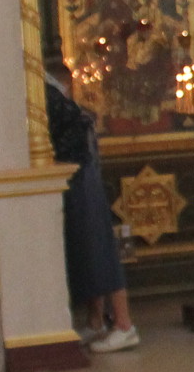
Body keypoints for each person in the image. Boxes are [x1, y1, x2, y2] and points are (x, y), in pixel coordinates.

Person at [46, 62, 136, 351]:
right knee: (84, 250)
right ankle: (96, 322)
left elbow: (75, 134)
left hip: (79, 173)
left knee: (98, 248)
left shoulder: (48, 96)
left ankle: (124, 325)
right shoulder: (49, 95)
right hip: (76, 172)